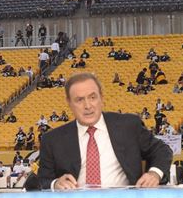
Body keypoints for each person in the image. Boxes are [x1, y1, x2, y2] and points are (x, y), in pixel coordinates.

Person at [33, 72, 172, 189]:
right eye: (79, 100)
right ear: (69, 103)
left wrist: (154, 174)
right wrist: (55, 184)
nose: (87, 106)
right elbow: (41, 181)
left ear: (102, 98)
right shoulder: (52, 140)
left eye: (92, 97)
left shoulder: (128, 125)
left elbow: (162, 150)